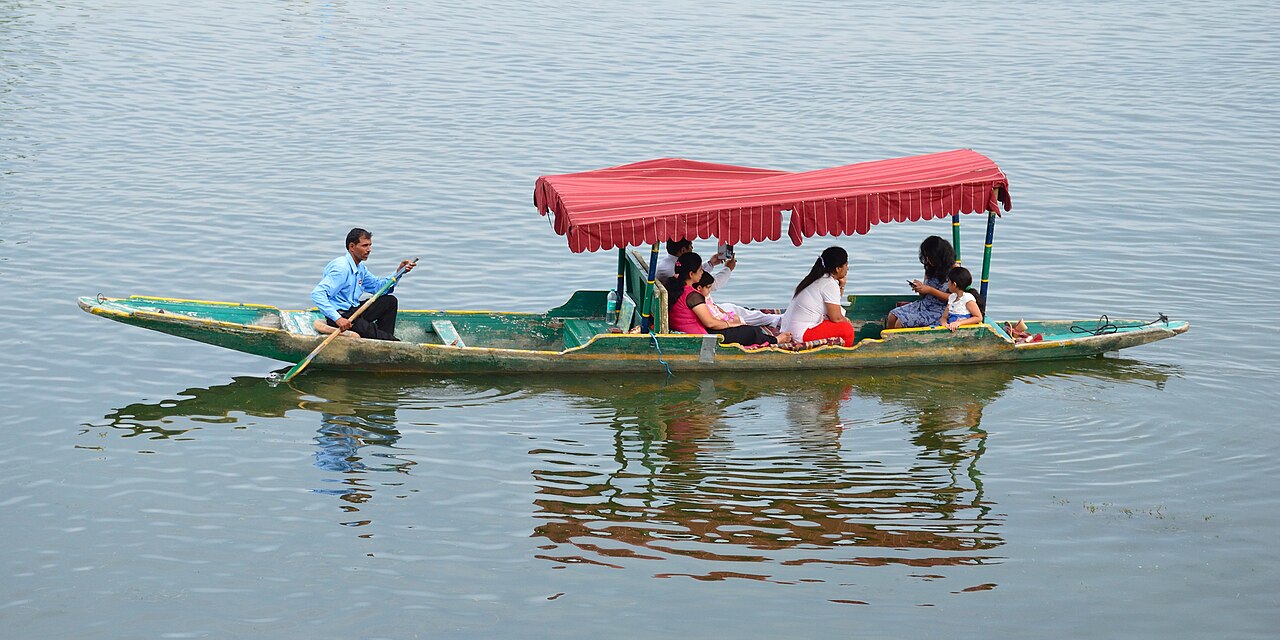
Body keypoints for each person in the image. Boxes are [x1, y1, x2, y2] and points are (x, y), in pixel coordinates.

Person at [310, 228, 416, 341]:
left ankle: (384, 340)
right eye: (365, 246)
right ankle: (388, 340)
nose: (369, 250)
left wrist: (399, 272)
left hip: (355, 310)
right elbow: (317, 294)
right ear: (352, 247)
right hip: (343, 316)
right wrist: (338, 319)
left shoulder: (360, 268)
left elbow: (379, 288)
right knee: (378, 334)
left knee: (390, 301)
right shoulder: (341, 268)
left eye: (370, 245)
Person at [662, 253, 786, 347]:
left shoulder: (673, 285)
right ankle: (776, 340)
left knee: (743, 326)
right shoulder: (692, 295)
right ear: (691, 274)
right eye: (700, 270)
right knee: (750, 331)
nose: (702, 273)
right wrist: (731, 324)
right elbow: (710, 323)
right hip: (700, 336)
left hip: (688, 329)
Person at [656, 239, 782, 328]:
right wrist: (728, 269)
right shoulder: (679, 277)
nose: (692, 249)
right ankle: (775, 320)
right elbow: (711, 285)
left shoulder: (670, 265)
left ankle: (773, 319)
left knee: (735, 309)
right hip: (694, 313)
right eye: (691, 247)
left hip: (688, 310)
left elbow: (697, 275)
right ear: (683, 250)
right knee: (738, 314)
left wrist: (711, 264)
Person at [780, 246, 856, 347]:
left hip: (790, 328)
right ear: (838, 269)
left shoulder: (816, 277)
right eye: (846, 265)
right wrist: (846, 321)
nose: (848, 268)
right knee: (847, 329)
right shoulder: (829, 283)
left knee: (840, 321)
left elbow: (834, 303)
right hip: (800, 334)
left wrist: (841, 285)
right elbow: (836, 318)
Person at [885, 235, 957, 330]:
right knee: (892, 316)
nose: (927, 260)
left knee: (900, 323)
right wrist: (920, 289)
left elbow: (957, 298)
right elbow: (924, 294)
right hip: (924, 305)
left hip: (940, 310)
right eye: (926, 256)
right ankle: (888, 338)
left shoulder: (955, 270)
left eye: (930, 257)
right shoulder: (930, 268)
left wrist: (930, 290)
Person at [939, 266, 985, 331]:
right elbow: (944, 317)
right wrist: (945, 324)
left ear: (954, 284)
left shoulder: (967, 299)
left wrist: (959, 323)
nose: (947, 284)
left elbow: (978, 317)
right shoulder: (952, 297)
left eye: (948, 281)